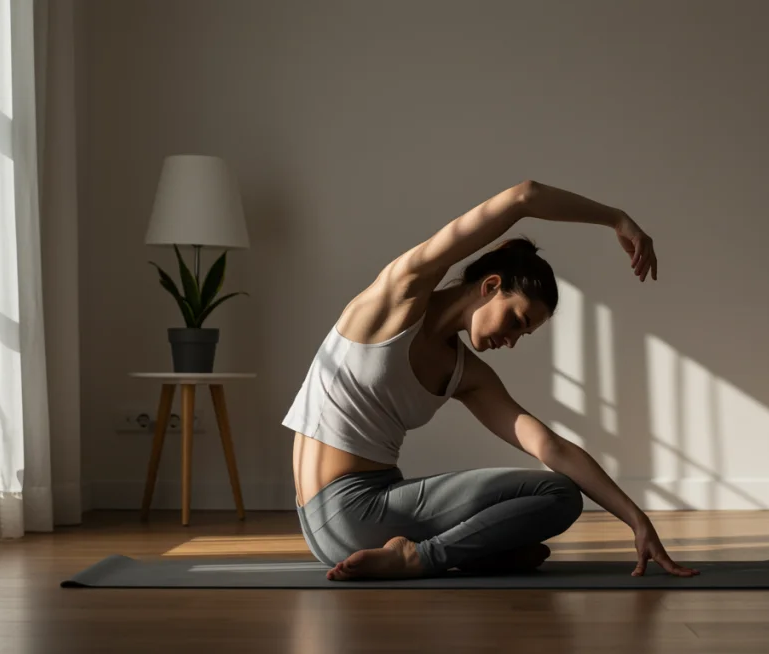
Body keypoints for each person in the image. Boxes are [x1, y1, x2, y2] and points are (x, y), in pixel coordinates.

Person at [283, 179, 699, 581]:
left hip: (360, 520)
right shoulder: (397, 297)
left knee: (561, 494)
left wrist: (636, 520)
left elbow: (548, 446)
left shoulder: (466, 374)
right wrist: (617, 218)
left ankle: (452, 551)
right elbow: (524, 196)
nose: (513, 340)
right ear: (491, 285)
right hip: (347, 513)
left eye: (523, 334)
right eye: (517, 320)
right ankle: (423, 558)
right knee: (557, 497)